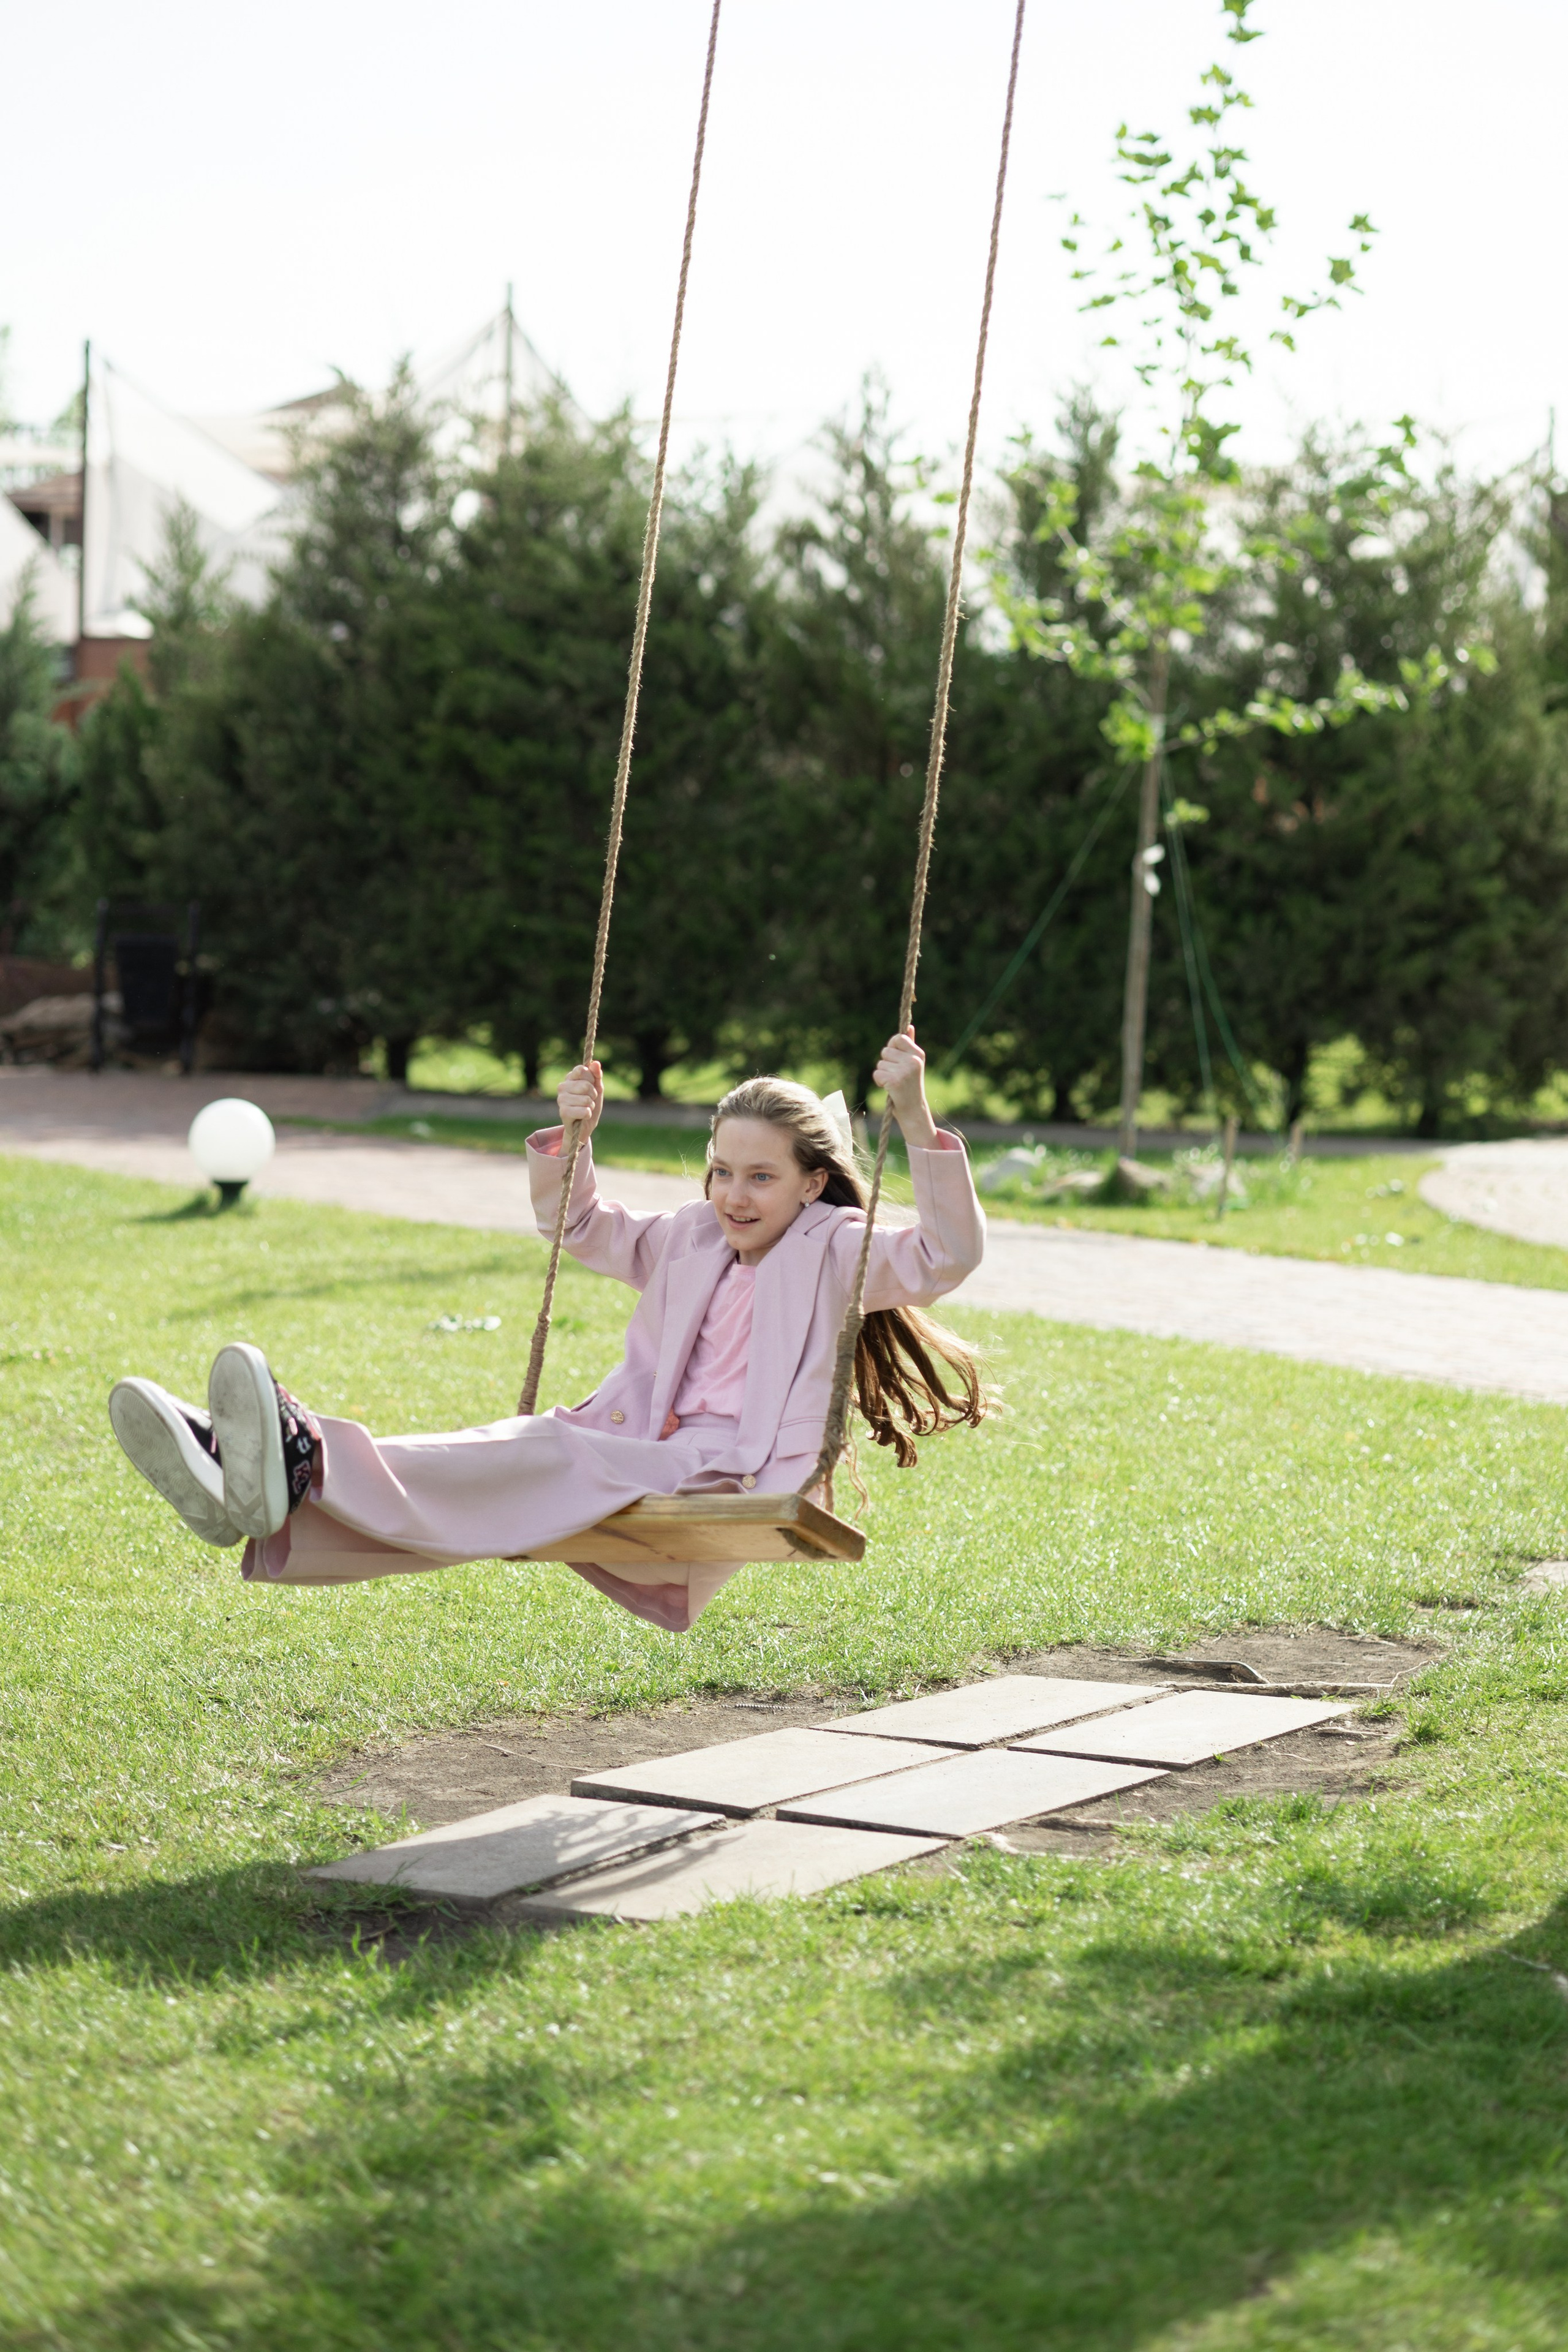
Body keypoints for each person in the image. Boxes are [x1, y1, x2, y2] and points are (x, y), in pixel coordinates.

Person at [108, 1027, 988, 1632]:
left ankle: (299, 1454)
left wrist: (912, 1115)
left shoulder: (838, 1252)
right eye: (721, 1171)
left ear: (810, 1184)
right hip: (638, 1448)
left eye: (761, 1177)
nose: (733, 1196)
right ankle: (263, 1491)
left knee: (550, 1456)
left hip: (731, 1471)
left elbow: (946, 1255)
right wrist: (577, 1135)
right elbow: (582, 1225)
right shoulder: (689, 1236)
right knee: (514, 1447)